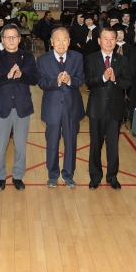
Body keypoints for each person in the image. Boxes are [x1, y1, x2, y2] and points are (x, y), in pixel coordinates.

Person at [0, 24, 38, 191]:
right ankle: (0, 176)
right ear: (2, 40)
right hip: (1, 106)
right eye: (7, 37)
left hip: (22, 106)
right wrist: (7, 76)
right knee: (0, 145)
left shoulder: (28, 57)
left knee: (20, 145)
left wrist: (22, 75)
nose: (11, 40)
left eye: (14, 36)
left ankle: (18, 175)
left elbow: (34, 79)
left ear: (19, 38)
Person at [84, 26, 133, 190]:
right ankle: (95, 177)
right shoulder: (91, 58)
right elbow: (88, 81)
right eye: (105, 38)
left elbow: (127, 83)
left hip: (115, 108)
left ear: (116, 40)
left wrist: (115, 79)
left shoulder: (122, 60)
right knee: (95, 144)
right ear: (99, 41)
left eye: (112, 38)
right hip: (96, 108)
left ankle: (112, 176)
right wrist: (103, 78)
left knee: (113, 145)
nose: (109, 41)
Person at [37, 27, 85, 188]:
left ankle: (68, 175)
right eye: (58, 40)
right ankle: (52, 175)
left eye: (65, 39)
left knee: (70, 143)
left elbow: (81, 79)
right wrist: (56, 82)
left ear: (69, 41)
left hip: (72, 106)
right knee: (52, 143)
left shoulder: (77, 57)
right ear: (51, 42)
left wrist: (70, 80)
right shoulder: (43, 59)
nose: (61, 43)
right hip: (52, 107)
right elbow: (41, 83)